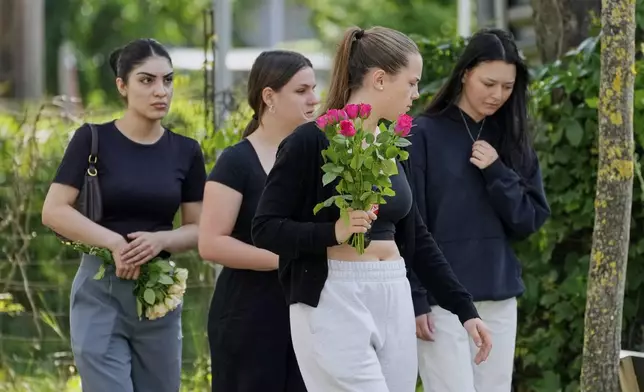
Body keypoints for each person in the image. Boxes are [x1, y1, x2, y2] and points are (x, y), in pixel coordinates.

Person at [251, 26, 493, 392]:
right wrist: (334, 231)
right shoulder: (309, 142)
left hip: (393, 290)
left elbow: (418, 238)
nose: (416, 93)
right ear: (380, 79)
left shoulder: (392, 144)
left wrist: (465, 310)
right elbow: (265, 228)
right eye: (411, 82)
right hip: (332, 295)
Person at [41, 38, 206, 392]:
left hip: (159, 294)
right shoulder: (92, 139)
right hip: (99, 290)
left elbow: (199, 229)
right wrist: (114, 242)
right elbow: (54, 210)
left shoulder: (186, 151)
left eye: (167, 80)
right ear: (122, 86)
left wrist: (161, 239)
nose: (160, 90)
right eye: (146, 80)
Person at [408, 28, 551, 392]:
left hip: (498, 297)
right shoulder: (424, 134)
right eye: (489, 83)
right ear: (465, 72)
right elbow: (412, 223)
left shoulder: (513, 140)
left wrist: (496, 172)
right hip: (443, 301)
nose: (497, 95)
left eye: (507, 87)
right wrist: (417, 298)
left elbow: (529, 220)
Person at [198, 50, 318, 392]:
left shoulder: (319, 158)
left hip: (307, 314)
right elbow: (211, 242)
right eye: (301, 90)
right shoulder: (236, 162)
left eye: (314, 88)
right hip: (248, 316)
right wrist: (285, 261)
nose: (314, 99)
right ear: (269, 96)